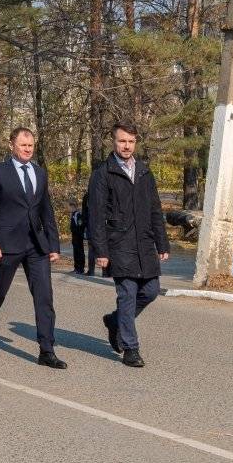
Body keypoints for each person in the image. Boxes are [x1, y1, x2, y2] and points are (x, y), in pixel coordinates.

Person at [0, 127, 67, 369]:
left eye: (31, 145)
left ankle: (46, 349)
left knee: (44, 297)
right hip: (7, 245)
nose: (27, 149)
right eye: (23, 145)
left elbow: (46, 210)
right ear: (11, 145)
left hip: (36, 246)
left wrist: (53, 245)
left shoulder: (39, 172)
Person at [87, 122, 170, 368]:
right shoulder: (103, 173)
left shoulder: (144, 171)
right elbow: (96, 215)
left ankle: (115, 322)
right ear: (113, 142)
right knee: (127, 295)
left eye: (131, 141)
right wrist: (100, 251)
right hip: (118, 244)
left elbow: (155, 210)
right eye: (122, 141)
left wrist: (162, 243)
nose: (127, 146)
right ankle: (130, 348)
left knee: (151, 291)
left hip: (144, 244)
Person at [69, 198, 87, 274]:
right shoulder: (72, 214)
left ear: (73, 206)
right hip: (74, 237)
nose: (68, 208)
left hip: (78, 237)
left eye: (69, 207)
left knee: (80, 252)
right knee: (75, 253)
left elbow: (80, 225)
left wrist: (78, 233)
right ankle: (76, 268)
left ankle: (81, 268)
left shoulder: (78, 214)